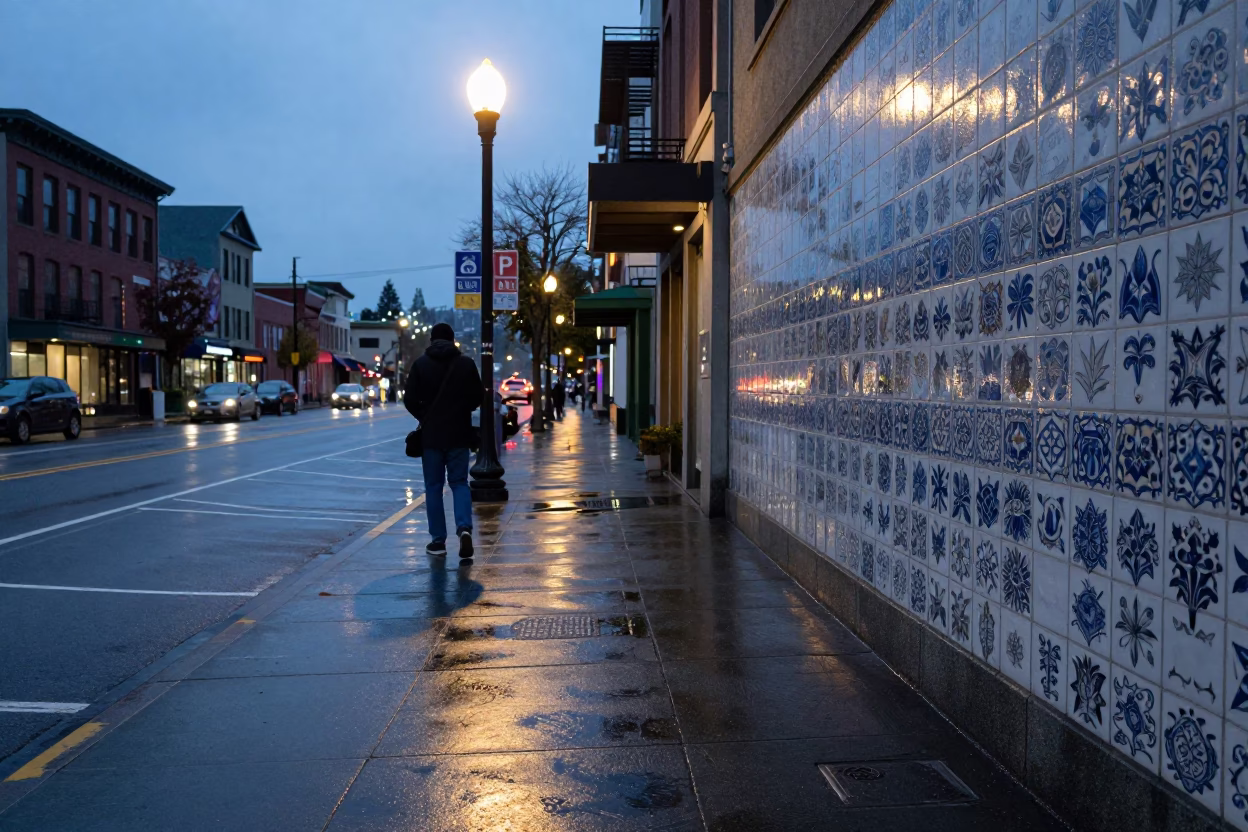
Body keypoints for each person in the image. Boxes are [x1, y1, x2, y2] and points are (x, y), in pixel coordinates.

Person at [404, 322, 482, 558]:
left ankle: (438, 541)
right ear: (453, 340)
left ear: (431, 340)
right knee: (459, 483)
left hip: (432, 437)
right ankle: (464, 528)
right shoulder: (466, 364)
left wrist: (424, 416)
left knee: (434, 488)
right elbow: (478, 397)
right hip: (459, 434)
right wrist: (462, 410)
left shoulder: (420, 365)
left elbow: (409, 399)